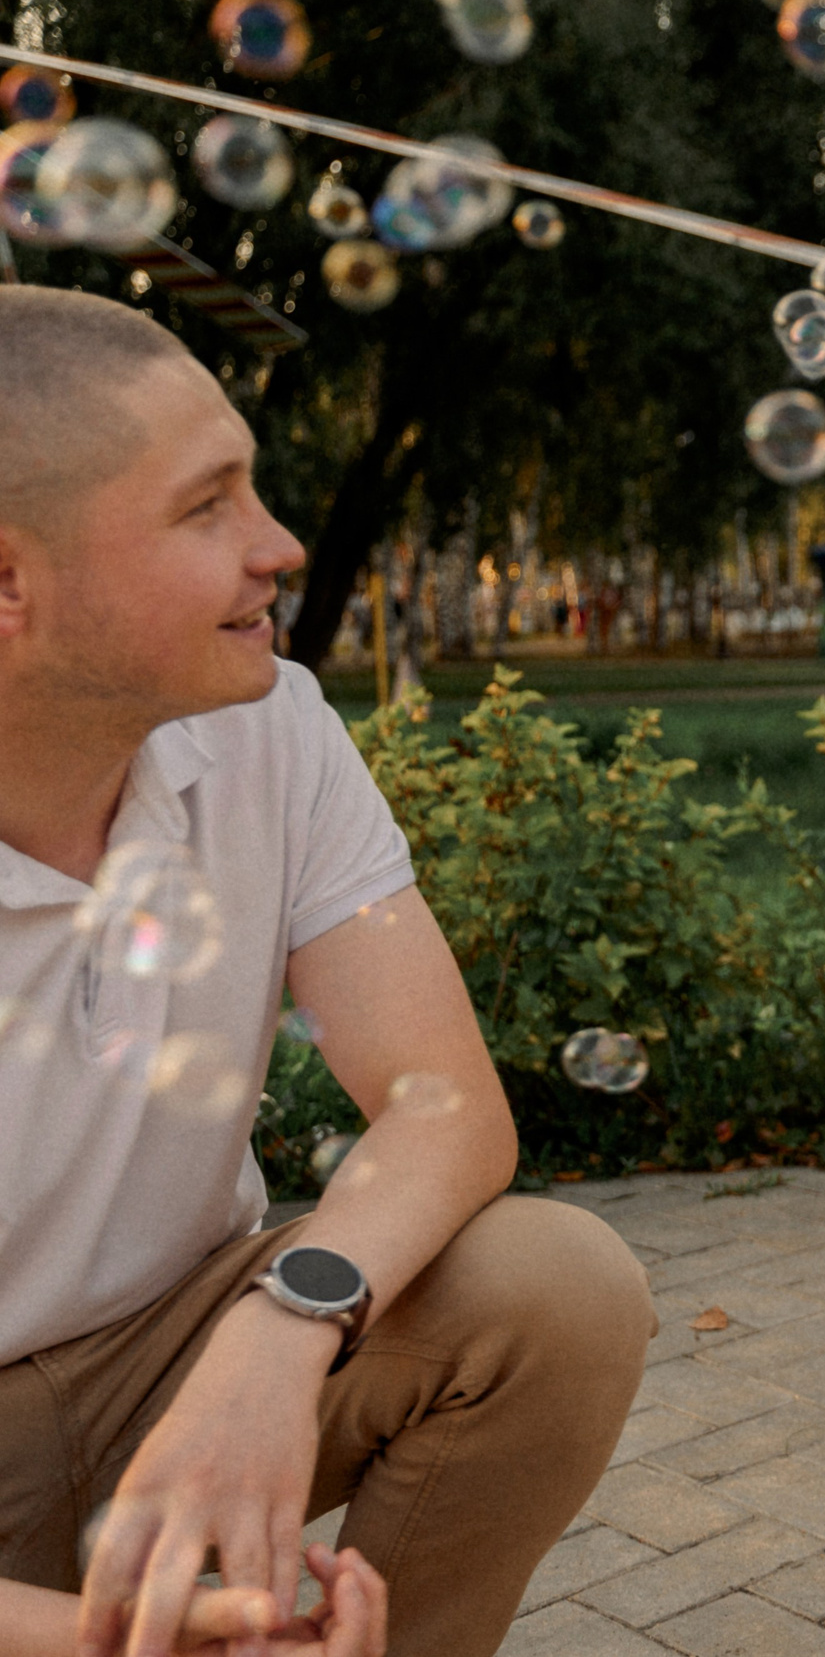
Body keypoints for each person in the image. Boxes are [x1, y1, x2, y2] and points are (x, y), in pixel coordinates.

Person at [0, 285, 656, 1657]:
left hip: (171, 1360)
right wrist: (132, 1644)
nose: (281, 545)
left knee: (552, 1292)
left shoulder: (266, 728)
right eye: (206, 508)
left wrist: (282, 1326)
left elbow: (443, 1105)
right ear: (10, 582)